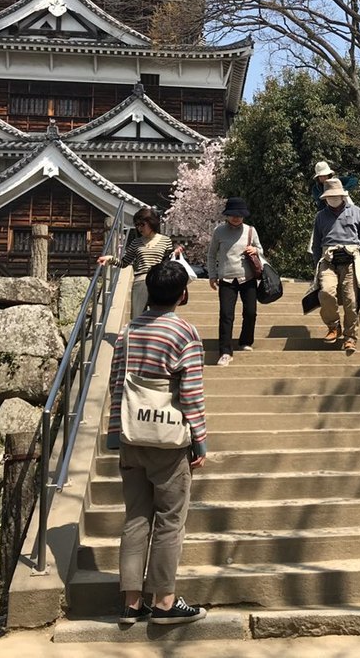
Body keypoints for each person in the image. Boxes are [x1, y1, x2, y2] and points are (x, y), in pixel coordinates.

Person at [105, 261, 207, 626]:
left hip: (133, 436)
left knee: (135, 517)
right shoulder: (184, 333)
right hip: (169, 441)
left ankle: (131, 603)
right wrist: (200, 441)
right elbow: (190, 393)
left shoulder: (128, 331)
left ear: (148, 291)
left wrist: (115, 432)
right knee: (169, 521)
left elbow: (117, 383)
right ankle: (164, 601)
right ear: (183, 295)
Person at [303, 178, 360, 354]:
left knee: (352, 299)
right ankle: (333, 326)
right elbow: (316, 243)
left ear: (343, 196)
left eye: (336, 196)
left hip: (351, 259)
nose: (333, 199)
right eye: (330, 196)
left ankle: (350, 337)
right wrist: (317, 264)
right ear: (325, 198)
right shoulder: (321, 216)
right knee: (326, 292)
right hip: (328, 259)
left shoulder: (356, 212)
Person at [206, 197, 263, 366]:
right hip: (226, 278)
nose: (236, 218)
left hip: (248, 277)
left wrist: (255, 249)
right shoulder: (219, 231)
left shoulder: (250, 230)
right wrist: (212, 275)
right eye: (233, 215)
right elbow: (211, 254)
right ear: (227, 215)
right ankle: (225, 351)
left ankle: (245, 341)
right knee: (226, 314)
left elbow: (261, 250)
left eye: (239, 215)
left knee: (250, 312)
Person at [97, 207, 181, 320]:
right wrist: (110, 259)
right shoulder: (136, 243)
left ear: (151, 223)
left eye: (142, 224)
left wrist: (176, 253)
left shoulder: (165, 240)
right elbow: (124, 262)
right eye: (137, 225)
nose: (139, 228)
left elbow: (168, 261)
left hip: (159, 281)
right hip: (141, 281)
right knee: (137, 315)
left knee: (160, 316)